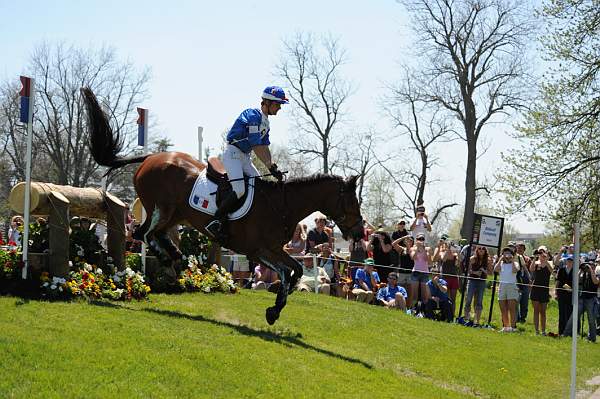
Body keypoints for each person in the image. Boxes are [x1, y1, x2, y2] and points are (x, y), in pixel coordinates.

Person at [206, 86, 288, 240]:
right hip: (233, 154)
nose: (279, 108)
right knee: (240, 189)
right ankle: (216, 221)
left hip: (244, 157)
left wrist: (273, 166)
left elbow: (264, 147)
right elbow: (257, 146)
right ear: (267, 102)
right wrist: (269, 167)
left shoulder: (266, 122)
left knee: (259, 187)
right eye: (278, 104)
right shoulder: (253, 115)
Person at [563, 261, 600, 342]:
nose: (589, 267)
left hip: (591, 299)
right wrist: (580, 269)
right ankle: (566, 333)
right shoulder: (584, 275)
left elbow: (595, 281)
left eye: (591, 265)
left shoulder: (597, 274)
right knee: (574, 316)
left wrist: (591, 270)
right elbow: (575, 280)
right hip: (582, 298)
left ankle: (592, 337)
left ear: (594, 266)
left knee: (591, 319)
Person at [463, 246, 492, 327]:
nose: (481, 250)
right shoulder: (473, 258)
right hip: (472, 280)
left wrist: (484, 271)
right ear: (477, 250)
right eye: (479, 248)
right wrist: (475, 272)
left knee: (479, 301)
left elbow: (491, 273)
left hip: (482, 281)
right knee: (468, 298)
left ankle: (477, 321)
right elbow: (467, 270)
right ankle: (466, 319)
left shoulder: (488, 260)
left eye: (483, 249)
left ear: (486, 251)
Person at [433, 234, 459, 319]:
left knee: (453, 299)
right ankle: (445, 315)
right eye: (445, 241)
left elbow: (458, 262)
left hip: (454, 277)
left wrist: (455, 249)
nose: (446, 243)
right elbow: (443, 259)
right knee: (445, 297)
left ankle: (452, 316)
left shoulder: (454, 252)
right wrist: (447, 249)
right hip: (445, 277)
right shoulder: (442, 251)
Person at [494, 247, 520, 332]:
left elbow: (515, 270)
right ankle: (506, 327)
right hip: (502, 286)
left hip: (511, 286)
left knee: (512, 308)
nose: (507, 255)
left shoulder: (515, 263)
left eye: (508, 253)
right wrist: (500, 259)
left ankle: (512, 327)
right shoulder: (501, 263)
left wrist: (511, 260)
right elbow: (496, 269)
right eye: (505, 254)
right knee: (503, 308)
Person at [529, 246, 553, 335]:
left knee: (543, 311)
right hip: (535, 288)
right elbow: (531, 269)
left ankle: (543, 331)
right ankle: (536, 331)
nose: (541, 254)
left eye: (543, 252)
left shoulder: (549, 263)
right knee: (536, 310)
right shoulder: (535, 263)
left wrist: (545, 260)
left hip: (544, 289)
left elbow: (552, 271)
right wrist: (535, 257)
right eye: (540, 252)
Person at [409, 233, 431, 313]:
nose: (420, 241)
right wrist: (417, 248)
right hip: (415, 272)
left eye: (422, 239)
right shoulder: (413, 248)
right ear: (416, 240)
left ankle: (423, 311)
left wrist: (423, 249)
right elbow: (413, 258)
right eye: (419, 239)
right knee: (414, 295)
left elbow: (427, 259)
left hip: (425, 272)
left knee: (424, 295)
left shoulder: (427, 248)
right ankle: (413, 310)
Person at [555, 255, 574, 335]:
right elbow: (558, 281)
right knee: (562, 312)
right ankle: (561, 331)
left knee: (569, 312)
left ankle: (569, 332)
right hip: (561, 293)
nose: (569, 262)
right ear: (566, 261)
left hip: (570, 294)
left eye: (571, 261)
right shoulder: (562, 269)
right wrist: (556, 293)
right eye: (568, 261)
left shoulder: (575, 270)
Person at [514, 242, 532, 323]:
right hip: (516, 283)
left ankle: (523, 318)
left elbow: (530, 271)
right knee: (515, 301)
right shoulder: (513, 258)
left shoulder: (528, 259)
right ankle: (516, 317)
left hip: (525, 283)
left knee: (524, 302)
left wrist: (530, 281)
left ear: (524, 250)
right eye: (518, 248)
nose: (520, 249)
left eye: (521, 248)